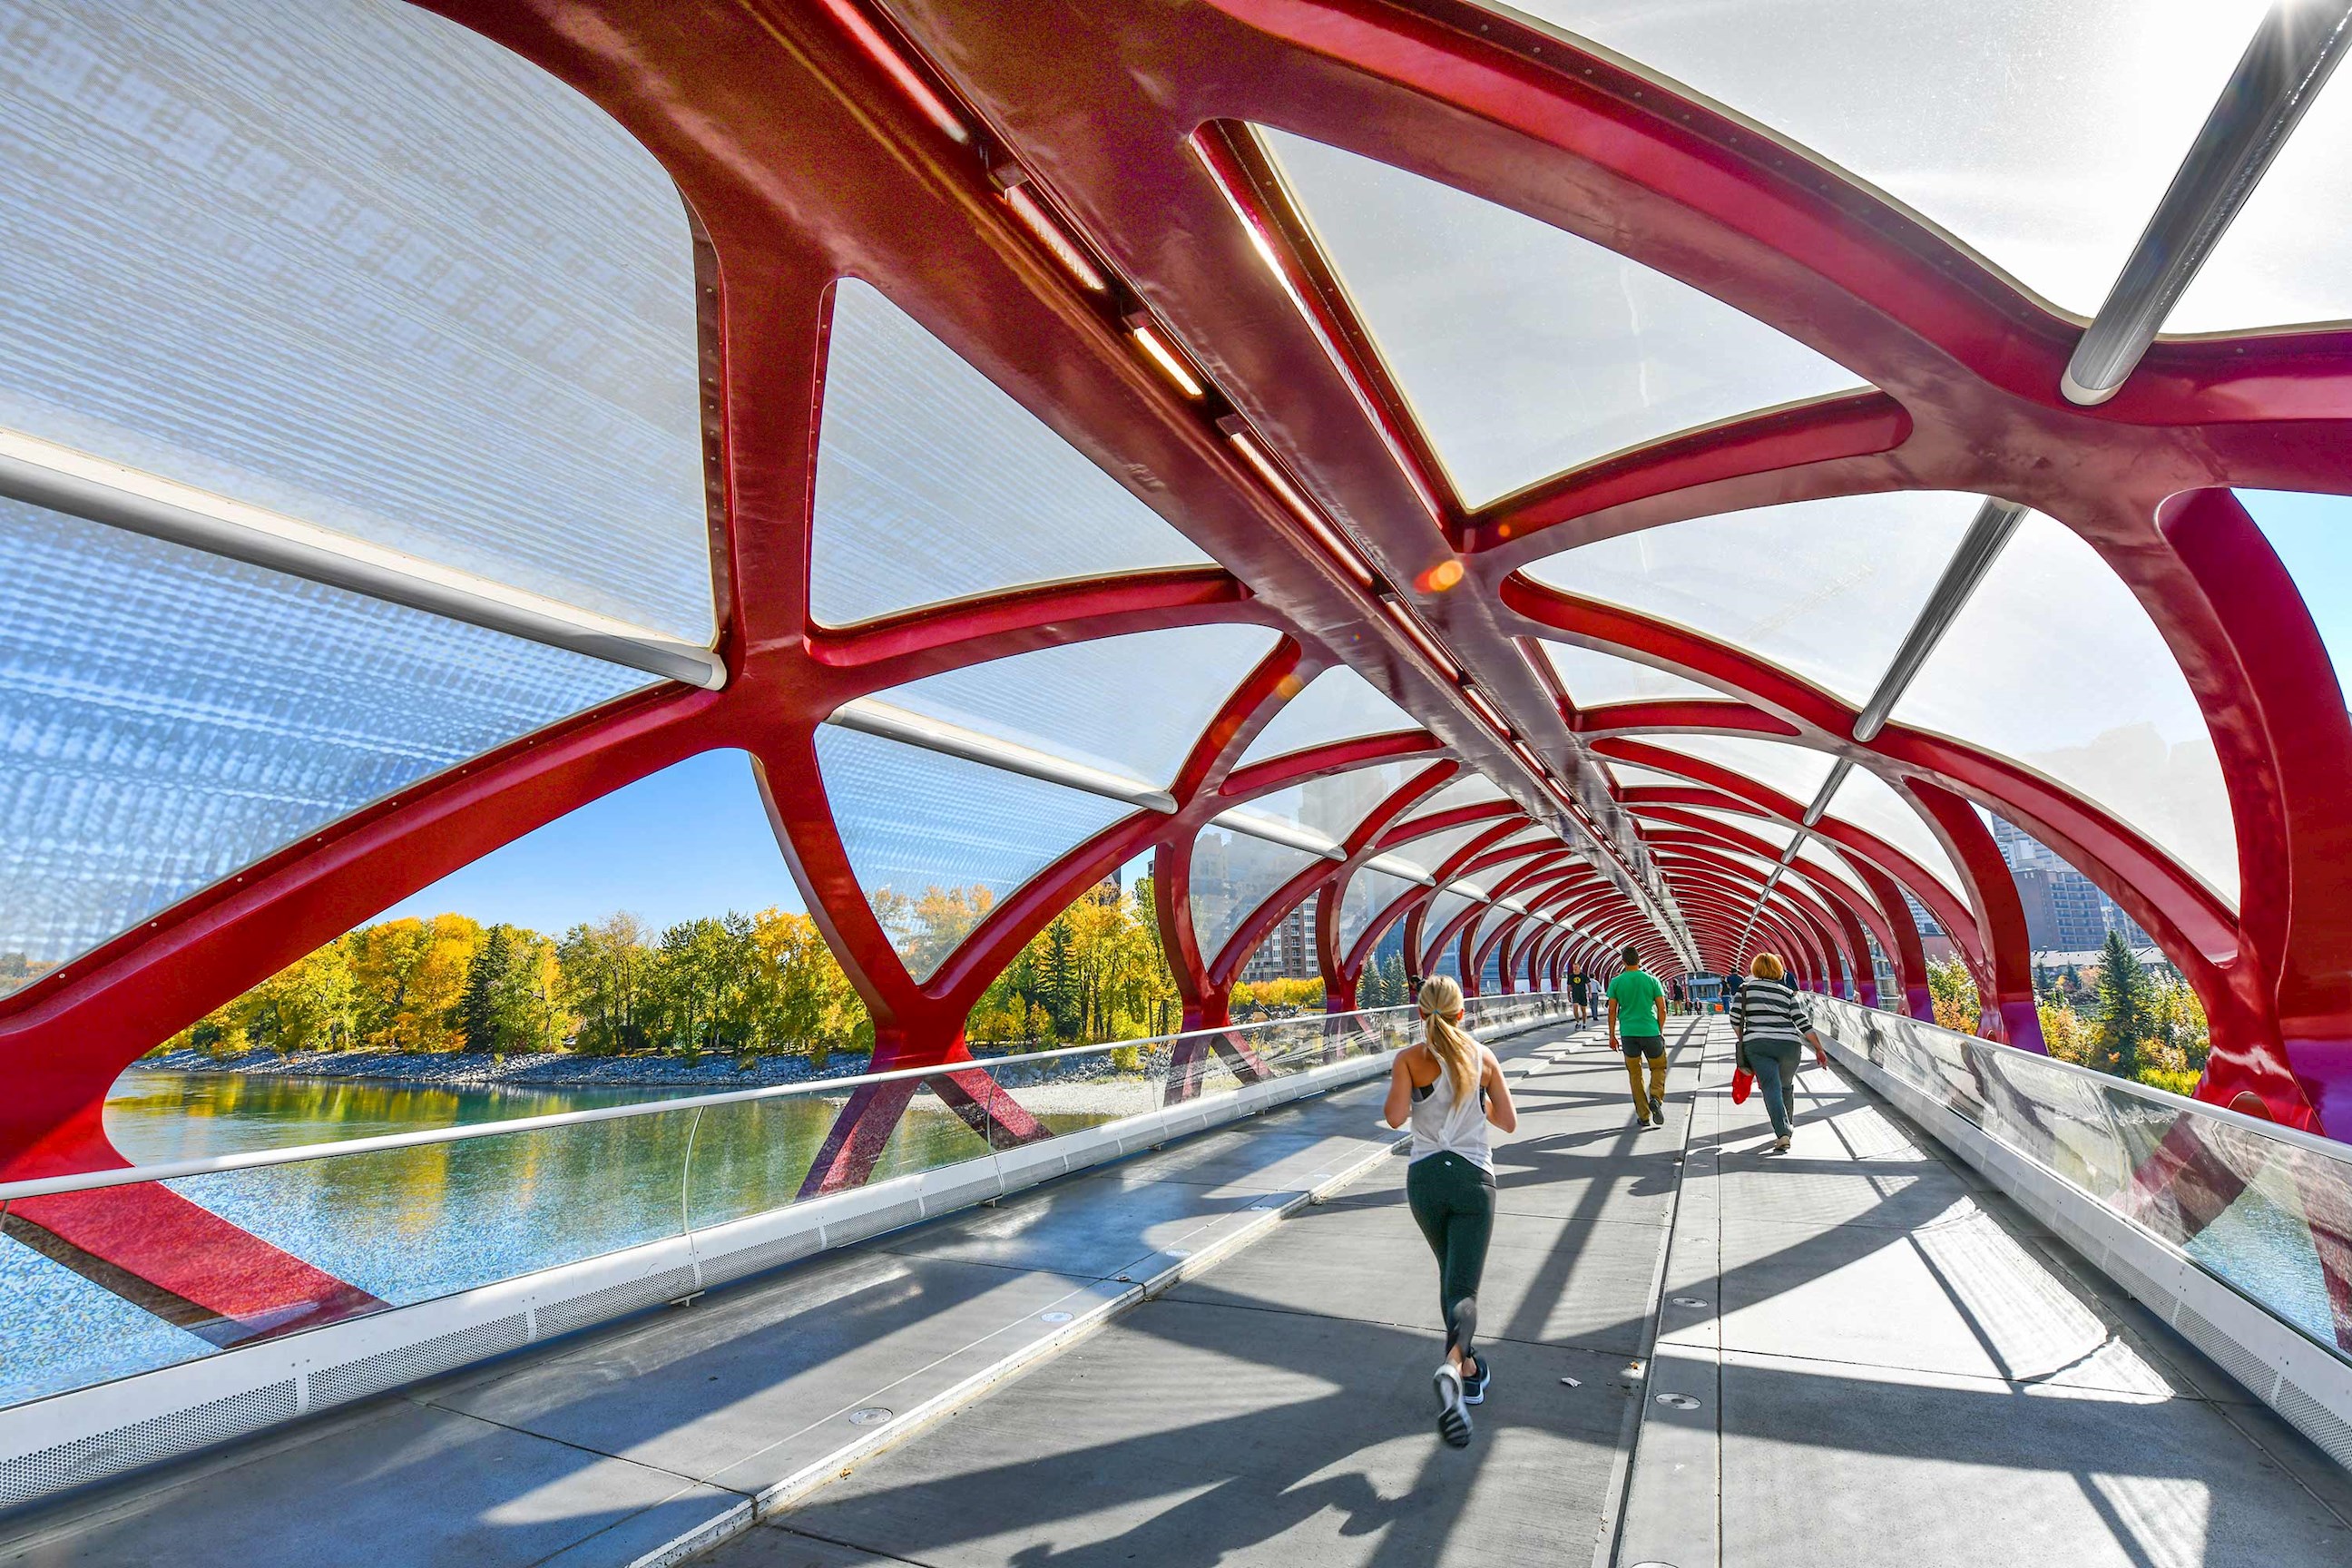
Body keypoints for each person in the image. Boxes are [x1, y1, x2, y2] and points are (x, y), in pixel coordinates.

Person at [1384, 974, 1518, 1448]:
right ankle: (1453, 1366)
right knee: (1463, 1288)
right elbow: (1508, 1122)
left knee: (1450, 1276)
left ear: (1420, 1013)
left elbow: (1395, 1118)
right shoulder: (1483, 1058)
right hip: (1473, 1179)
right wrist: (1478, 1102)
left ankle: (1470, 1367)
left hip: (1425, 1181)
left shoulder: (1409, 1059)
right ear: (1463, 1013)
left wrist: (1420, 1093)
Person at [1730, 953, 1830, 1154]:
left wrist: (1744, 1038)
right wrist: (1819, 1048)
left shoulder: (1745, 989)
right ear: (1778, 969)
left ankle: (1783, 1132)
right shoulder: (1787, 992)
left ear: (1755, 969)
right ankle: (1787, 1126)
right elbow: (1802, 1022)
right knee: (1786, 1086)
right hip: (1789, 1046)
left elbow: (1734, 1018)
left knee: (1771, 1087)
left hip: (1758, 1044)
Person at [1607, 945, 1670, 1127]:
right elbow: (1662, 1009)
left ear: (1623, 962)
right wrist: (1659, 1030)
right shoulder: (1652, 980)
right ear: (1639, 960)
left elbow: (1612, 1011)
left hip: (1628, 1033)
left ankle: (1643, 1115)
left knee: (1635, 1074)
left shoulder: (1616, 982)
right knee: (1658, 1067)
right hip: (1651, 1031)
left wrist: (1612, 1035)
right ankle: (1656, 1098)